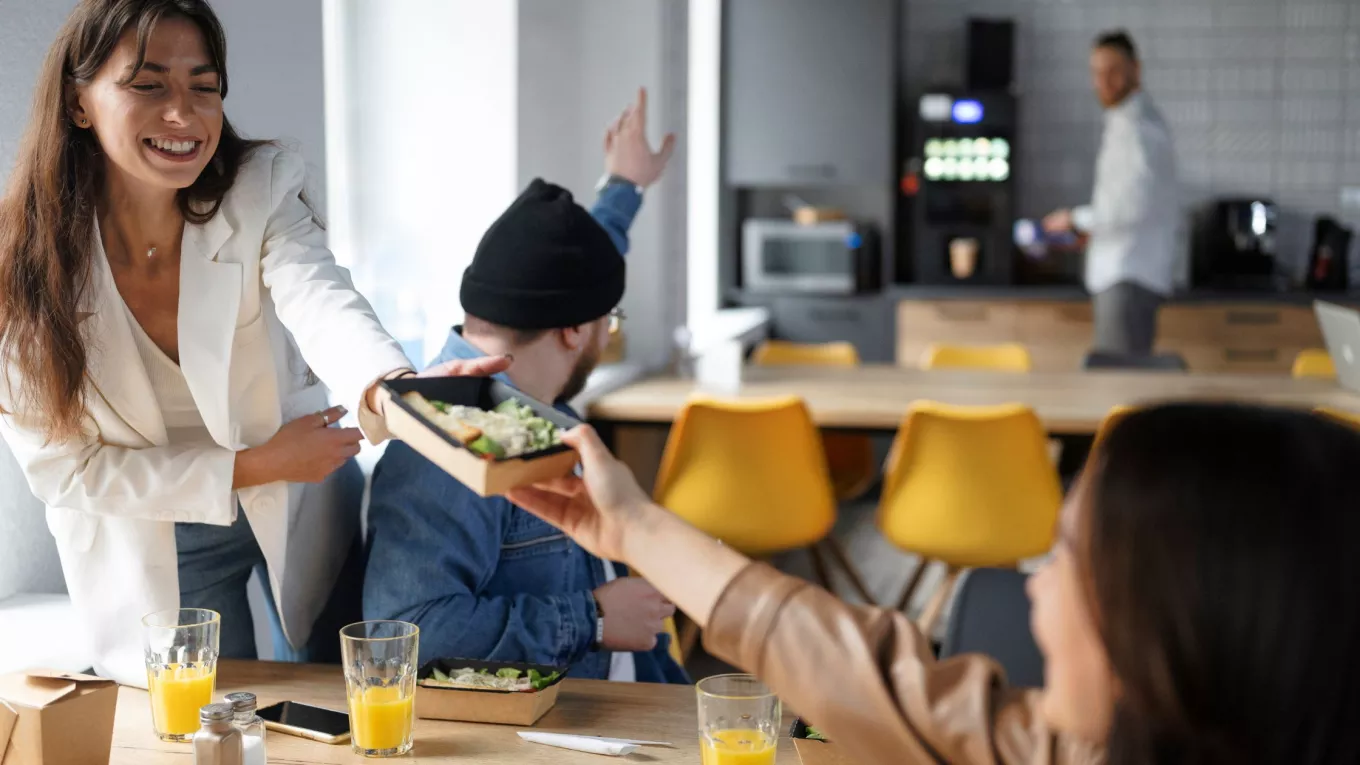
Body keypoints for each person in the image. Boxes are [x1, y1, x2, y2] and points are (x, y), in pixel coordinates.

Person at [0, 0, 503, 688]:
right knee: (218, 717)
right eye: (149, 85)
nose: (184, 113)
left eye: (204, 86)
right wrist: (254, 464)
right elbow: (65, 470)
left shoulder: (256, 190)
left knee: (351, 690)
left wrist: (390, 388)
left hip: (300, 495)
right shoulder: (23, 269)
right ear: (79, 102)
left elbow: (322, 297)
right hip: (159, 527)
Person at [509, 404, 1360, 764]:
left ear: (1185, 622)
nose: (1034, 590)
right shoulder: (1072, 748)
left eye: (1066, 556)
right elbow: (871, 677)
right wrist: (628, 529)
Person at [363, 90, 686, 684]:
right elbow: (400, 635)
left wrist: (625, 185)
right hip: (576, 726)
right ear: (572, 330)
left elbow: (584, 259)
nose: (605, 335)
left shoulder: (523, 360)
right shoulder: (451, 441)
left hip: (636, 683)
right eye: (605, 324)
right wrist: (588, 618)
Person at [1043, 30, 1179, 357]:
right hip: (1123, 272)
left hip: (1127, 277)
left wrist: (1073, 219)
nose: (1103, 81)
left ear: (1136, 69)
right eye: (1096, 72)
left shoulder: (1138, 129)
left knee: (1118, 388)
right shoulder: (1127, 122)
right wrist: (1089, 231)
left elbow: (1130, 208)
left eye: (1113, 71)